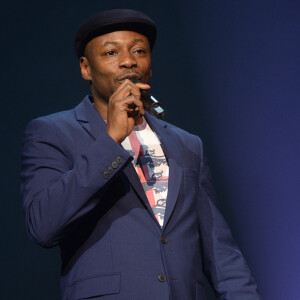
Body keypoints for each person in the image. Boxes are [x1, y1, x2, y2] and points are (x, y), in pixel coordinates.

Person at [21, 9, 260, 300]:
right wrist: (112, 139)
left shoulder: (186, 144)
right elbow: (44, 225)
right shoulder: (53, 132)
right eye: (111, 52)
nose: (128, 61)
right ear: (86, 68)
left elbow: (220, 252)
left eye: (139, 50)